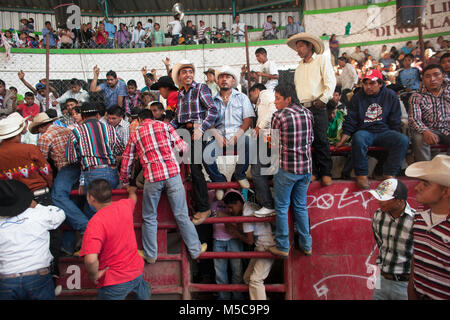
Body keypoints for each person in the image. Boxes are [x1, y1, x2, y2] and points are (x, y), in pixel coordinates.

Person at [120, 108, 207, 263]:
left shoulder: (135, 134)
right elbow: (183, 148)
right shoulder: (165, 126)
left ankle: (151, 254)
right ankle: (195, 249)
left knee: (149, 217)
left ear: (139, 120)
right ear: (153, 117)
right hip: (173, 174)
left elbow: (127, 160)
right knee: (181, 214)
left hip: (152, 177)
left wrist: (125, 181)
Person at [335, 69, 409, 189]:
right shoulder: (357, 97)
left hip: (384, 131)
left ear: (380, 84)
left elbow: (395, 120)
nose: (368, 87)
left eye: (372, 83)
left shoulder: (390, 95)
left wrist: (394, 135)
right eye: (366, 84)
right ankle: (362, 174)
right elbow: (351, 119)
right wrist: (344, 137)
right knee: (358, 137)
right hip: (365, 132)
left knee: (403, 140)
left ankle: (389, 173)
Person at [79, 179, 150, 300]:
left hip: (114, 281)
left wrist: (94, 275)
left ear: (91, 198)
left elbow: (91, 260)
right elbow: (133, 199)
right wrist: (132, 190)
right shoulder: (124, 206)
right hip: (136, 272)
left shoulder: (95, 222)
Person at [170, 60, 219, 225]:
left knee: (196, 170)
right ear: (179, 76)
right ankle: (200, 206)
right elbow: (177, 119)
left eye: (190, 71)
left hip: (197, 132)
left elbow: (213, 110)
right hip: (185, 132)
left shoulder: (200, 88)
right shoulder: (181, 94)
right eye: (184, 72)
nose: (188, 74)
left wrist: (202, 128)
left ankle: (204, 207)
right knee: (190, 170)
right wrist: (165, 129)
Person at [268, 84, 314, 258]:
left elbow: (272, 144)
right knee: (300, 206)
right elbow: (311, 139)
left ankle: (283, 246)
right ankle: (306, 244)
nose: (275, 102)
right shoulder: (307, 113)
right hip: (306, 168)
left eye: (278, 98)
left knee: (281, 207)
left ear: (288, 99)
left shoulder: (278, 116)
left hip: (287, 168)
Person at [0, 180, 65, 300]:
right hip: (37, 276)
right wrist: (37, 206)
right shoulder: (37, 214)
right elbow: (59, 214)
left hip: (6, 278)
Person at [287, 32, 336, 186]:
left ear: (309, 45)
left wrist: (323, 99)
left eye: (301, 46)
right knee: (306, 142)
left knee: (321, 139)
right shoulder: (299, 67)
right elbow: (297, 89)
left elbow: (330, 81)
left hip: (317, 105)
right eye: (297, 47)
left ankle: (326, 172)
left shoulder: (322, 59)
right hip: (303, 107)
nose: (298, 50)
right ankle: (313, 171)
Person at [405, 155, 450, 300]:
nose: (417, 187)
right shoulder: (419, 214)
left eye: (426, 184)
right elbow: (417, 256)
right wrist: (412, 290)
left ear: (446, 192)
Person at [206, 66, 254, 200]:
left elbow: (248, 120)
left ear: (233, 81)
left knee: (248, 142)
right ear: (217, 81)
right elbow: (210, 122)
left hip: (238, 134)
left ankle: (240, 174)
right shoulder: (212, 101)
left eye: (228, 77)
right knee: (205, 153)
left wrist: (237, 136)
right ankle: (219, 181)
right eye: (221, 77)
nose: (224, 80)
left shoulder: (242, 98)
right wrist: (216, 135)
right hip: (219, 136)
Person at [223, 190, 276, 300]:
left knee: (255, 280)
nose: (229, 210)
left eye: (231, 207)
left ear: (238, 203)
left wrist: (236, 233)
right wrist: (235, 228)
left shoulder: (246, 214)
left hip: (266, 246)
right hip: (263, 245)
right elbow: (251, 229)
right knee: (247, 278)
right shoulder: (249, 205)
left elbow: (249, 241)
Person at [369, 179, 415, 300]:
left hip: (404, 283)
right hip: (382, 279)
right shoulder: (378, 215)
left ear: (399, 201)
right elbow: (380, 243)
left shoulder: (414, 221)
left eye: (384, 199)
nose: (379, 201)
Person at [66, 102, 124, 194]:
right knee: (110, 204)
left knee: (97, 205)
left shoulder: (76, 132)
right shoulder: (110, 129)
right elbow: (121, 150)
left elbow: (71, 159)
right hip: (112, 171)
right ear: (97, 115)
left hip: (93, 173)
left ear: (83, 116)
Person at [408, 64, 449, 162]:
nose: (432, 79)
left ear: (443, 76)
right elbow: (414, 119)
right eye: (428, 76)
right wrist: (425, 131)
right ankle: (425, 170)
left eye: (436, 75)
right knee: (419, 138)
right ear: (423, 79)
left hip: (447, 128)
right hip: (428, 129)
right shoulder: (417, 96)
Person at [248, 83, 277, 216]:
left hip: (269, 137)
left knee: (257, 171)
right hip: (270, 138)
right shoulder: (266, 97)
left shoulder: (264, 94)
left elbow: (272, 109)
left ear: (256, 90)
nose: (250, 98)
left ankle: (268, 204)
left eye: (250, 94)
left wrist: (259, 126)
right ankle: (271, 204)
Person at [212, 190, 245, 300]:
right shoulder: (211, 194)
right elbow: (208, 212)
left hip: (234, 238)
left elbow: (240, 213)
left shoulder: (234, 193)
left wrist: (223, 216)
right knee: (219, 272)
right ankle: (223, 297)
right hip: (217, 238)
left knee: (237, 271)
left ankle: (237, 297)